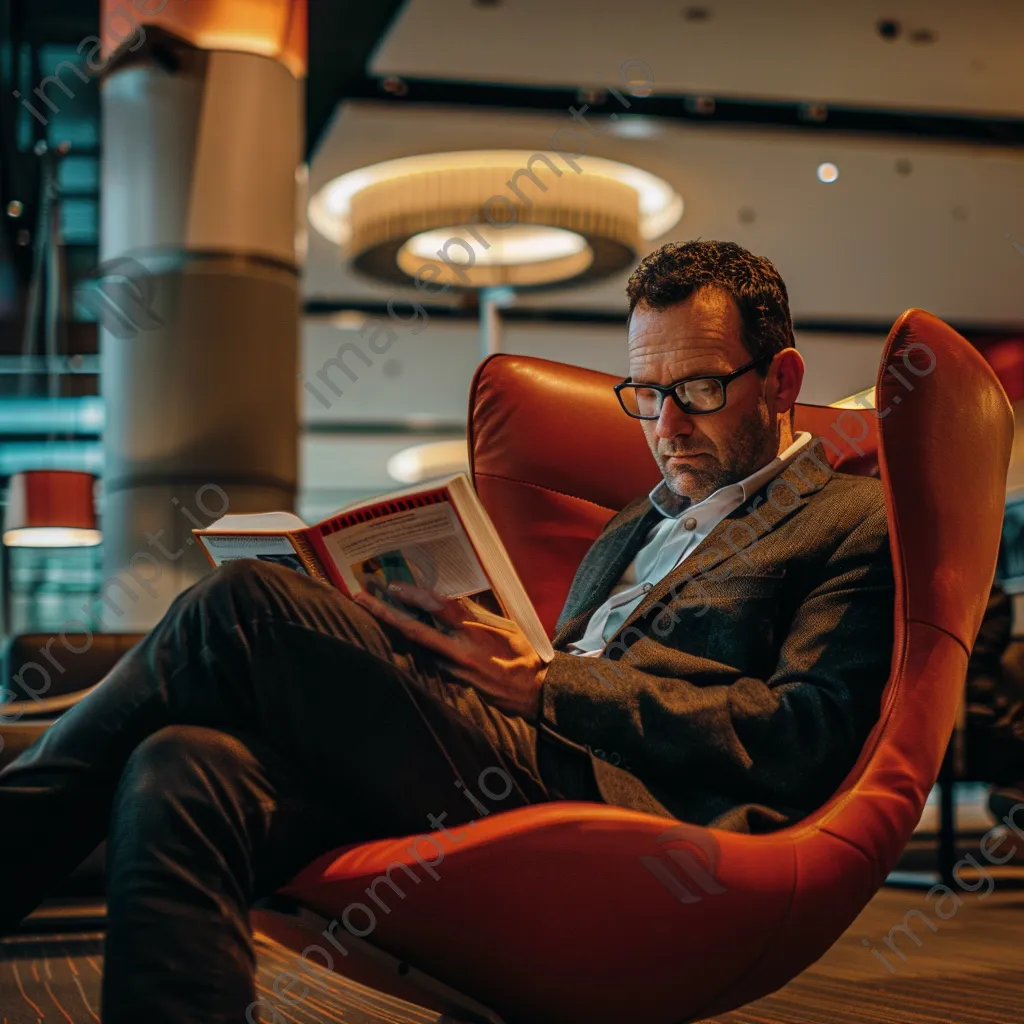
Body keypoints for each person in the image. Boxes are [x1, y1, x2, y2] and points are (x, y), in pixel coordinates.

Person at [0, 240, 894, 1023]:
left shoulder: (851, 521)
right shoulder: (634, 521)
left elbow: (798, 736)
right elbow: (560, 656)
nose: (666, 426)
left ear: (782, 380)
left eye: (698, 389)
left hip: (621, 807)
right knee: (185, 764)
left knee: (245, 604)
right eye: (648, 392)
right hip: (511, 749)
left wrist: (550, 688)